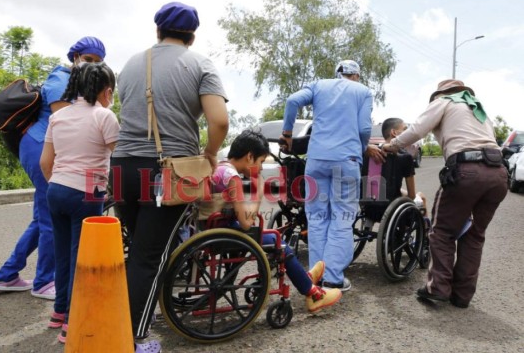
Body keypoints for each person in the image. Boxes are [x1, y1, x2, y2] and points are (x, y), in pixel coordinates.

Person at [110, 1, 229, 353]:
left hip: (121, 169)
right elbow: (220, 121)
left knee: (137, 253)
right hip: (168, 172)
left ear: (158, 30)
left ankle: (114, 323)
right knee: (150, 257)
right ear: (192, 36)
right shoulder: (200, 65)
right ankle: (129, 343)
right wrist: (210, 154)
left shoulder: (131, 63)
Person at [0, 37, 106, 299]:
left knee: (42, 217)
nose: (91, 65)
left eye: (98, 62)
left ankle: (7, 275)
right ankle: (44, 281)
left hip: (45, 147)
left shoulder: (74, 83)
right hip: (41, 147)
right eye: (88, 59)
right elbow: (66, 117)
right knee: (51, 218)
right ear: (75, 57)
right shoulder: (61, 78)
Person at [382, 79, 508, 308]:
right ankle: (461, 296)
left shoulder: (444, 101)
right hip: (498, 174)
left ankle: (437, 288)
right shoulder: (478, 109)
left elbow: (417, 130)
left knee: (441, 232)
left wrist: (391, 145)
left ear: (442, 93)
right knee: (475, 235)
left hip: (467, 171)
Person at [206, 129, 342, 312]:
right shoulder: (233, 178)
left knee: (272, 236)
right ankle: (312, 292)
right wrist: (258, 191)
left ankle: (305, 278)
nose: (261, 168)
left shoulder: (221, 167)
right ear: (249, 156)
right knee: (277, 240)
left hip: (217, 227)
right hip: (229, 232)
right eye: (261, 162)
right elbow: (246, 223)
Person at [39, 62, 120, 344]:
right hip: (86, 193)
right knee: (81, 259)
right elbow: (117, 161)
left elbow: (45, 163)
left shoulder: (58, 117)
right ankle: (73, 322)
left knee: (62, 255)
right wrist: (117, 192)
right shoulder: (104, 116)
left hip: (56, 190)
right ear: (105, 90)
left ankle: (58, 313)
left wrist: (60, 183)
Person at [280, 59, 373, 291]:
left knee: (317, 217)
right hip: (347, 160)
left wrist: (287, 134)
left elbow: (292, 100)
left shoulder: (319, 85)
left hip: (316, 160)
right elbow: (364, 129)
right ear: (356, 75)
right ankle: (333, 278)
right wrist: (360, 148)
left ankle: (315, 276)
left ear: (337, 74)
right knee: (341, 217)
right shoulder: (363, 92)